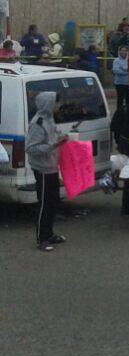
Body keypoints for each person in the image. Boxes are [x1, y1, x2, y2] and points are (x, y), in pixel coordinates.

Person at [27, 91, 67, 251]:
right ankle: (41, 238)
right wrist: (53, 145)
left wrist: (61, 138)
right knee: (44, 203)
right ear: (49, 104)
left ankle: (49, 233)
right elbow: (31, 148)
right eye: (56, 103)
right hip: (42, 168)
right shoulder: (38, 123)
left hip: (51, 166)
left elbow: (53, 136)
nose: (59, 106)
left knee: (54, 201)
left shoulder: (50, 120)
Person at [112, 46, 129, 111]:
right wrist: (127, 71)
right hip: (119, 83)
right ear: (119, 51)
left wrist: (123, 69)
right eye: (122, 50)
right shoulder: (116, 60)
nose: (123, 52)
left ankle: (128, 112)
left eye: (125, 50)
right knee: (120, 100)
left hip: (128, 83)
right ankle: (119, 113)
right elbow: (116, 71)